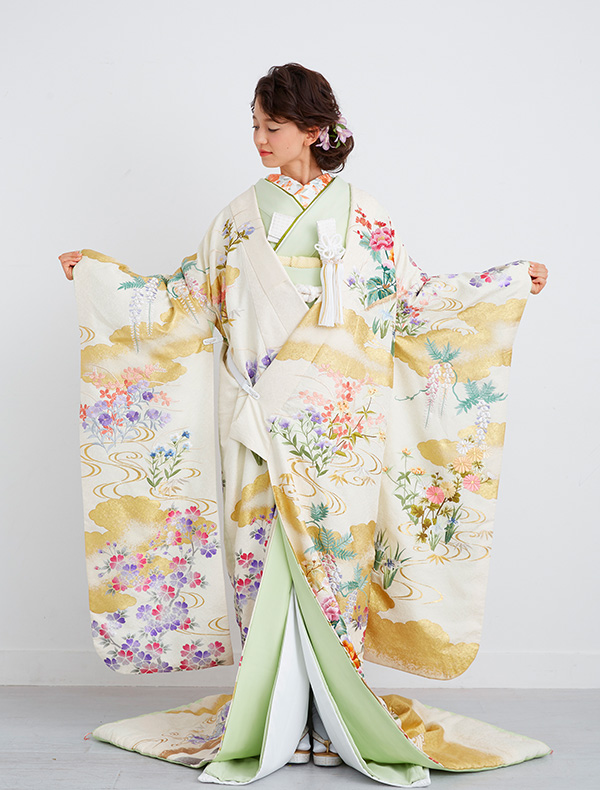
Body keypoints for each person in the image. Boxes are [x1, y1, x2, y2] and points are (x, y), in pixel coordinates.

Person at [60, 63, 549, 786]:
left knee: (334, 575)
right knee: (264, 571)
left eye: (274, 126)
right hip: (259, 421)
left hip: (339, 430)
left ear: (314, 130)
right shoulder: (237, 217)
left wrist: (503, 285)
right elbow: (185, 300)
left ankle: (331, 720)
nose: (260, 139)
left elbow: (411, 302)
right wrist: (102, 278)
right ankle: (271, 719)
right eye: (255, 126)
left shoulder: (367, 215)